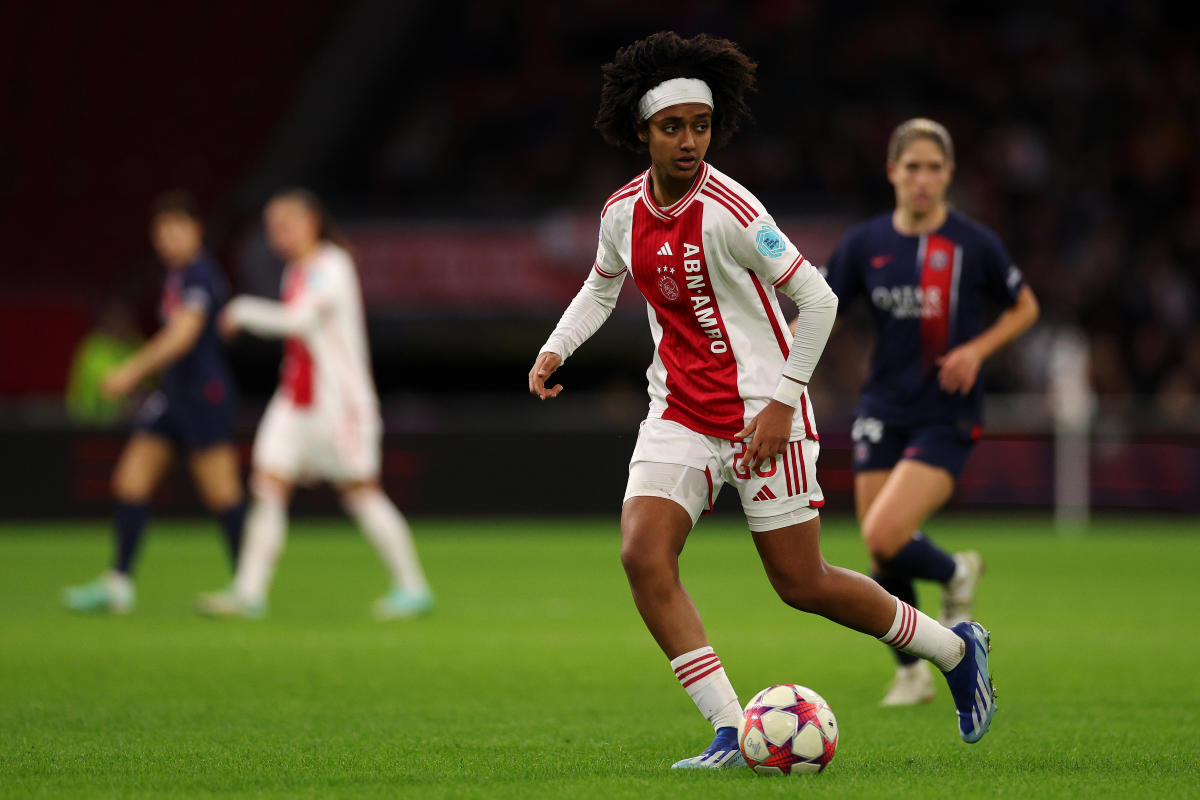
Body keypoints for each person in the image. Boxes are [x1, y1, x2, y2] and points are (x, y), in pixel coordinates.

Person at [528, 33, 996, 769]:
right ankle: (725, 728)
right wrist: (558, 345)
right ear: (642, 131)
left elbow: (819, 298)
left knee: (800, 583)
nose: (689, 141)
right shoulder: (621, 212)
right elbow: (602, 282)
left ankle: (952, 649)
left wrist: (783, 402)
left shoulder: (732, 210)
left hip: (761, 415)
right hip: (679, 410)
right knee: (643, 554)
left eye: (701, 125)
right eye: (672, 127)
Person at [822, 118, 1039, 707]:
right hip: (881, 408)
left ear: (949, 175)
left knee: (887, 533)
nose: (922, 179)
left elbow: (1025, 307)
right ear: (892, 171)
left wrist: (975, 350)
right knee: (878, 551)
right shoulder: (865, 244)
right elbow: (822, 309)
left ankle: (954, 572)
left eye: (933, 168)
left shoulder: (973, 243)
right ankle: (913, 672)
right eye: (911, 166)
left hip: (945, 414)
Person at [195, 188, 432, 620]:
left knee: (361, 493)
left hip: (339, 405)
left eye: (284, 225)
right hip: (294, 400)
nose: (277, 236)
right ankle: (248, 592)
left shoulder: (331, 266)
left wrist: (242, 309)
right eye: (271, 228)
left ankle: (413, 587)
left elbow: (299, 321)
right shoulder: (295, 271)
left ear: (311, 223)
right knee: (267, 484)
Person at [63, 191, 245, 613]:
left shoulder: (200, 275)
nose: (167, 238)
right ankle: (118, 582)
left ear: (197, 230)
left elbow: (183, 337)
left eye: (177, 228)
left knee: (221, 492)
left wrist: (131, 371)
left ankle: (247, 586)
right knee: (130, 479)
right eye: (161, 230)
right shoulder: (177, 278)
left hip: (204, 395)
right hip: (172, 395)